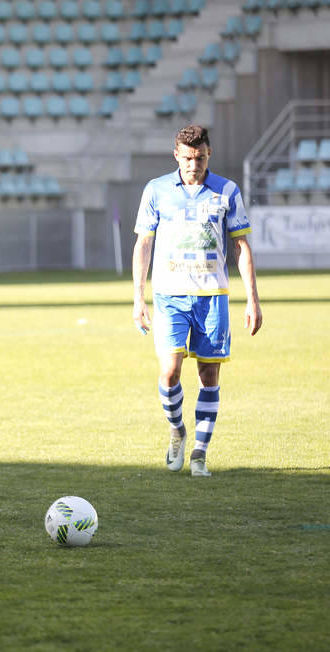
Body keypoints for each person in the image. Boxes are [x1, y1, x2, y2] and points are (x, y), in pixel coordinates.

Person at [132, 124, 262, 477]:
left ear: (209, 154)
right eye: (188, 158)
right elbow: (144, 244)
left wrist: (253, 300)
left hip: (213, 297)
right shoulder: (156, 190)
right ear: (177, 155)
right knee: (170, 371)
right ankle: (177, 430)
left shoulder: (227, 191)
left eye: (201, 157)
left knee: (208, 375)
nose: (194, 164)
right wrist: (137, 298)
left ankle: (200, 454)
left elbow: (241, 246)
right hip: (169, 295)